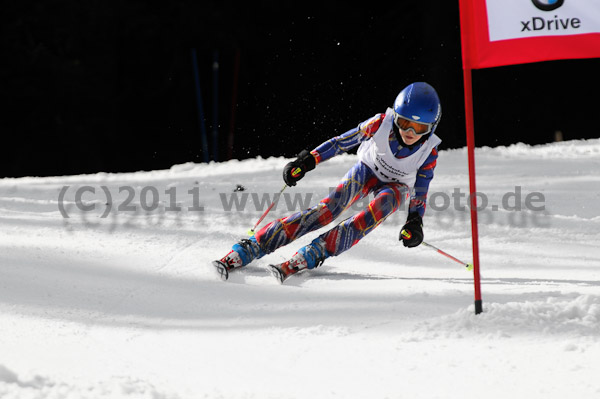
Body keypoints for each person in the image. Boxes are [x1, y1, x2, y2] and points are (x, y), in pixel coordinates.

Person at [212, 82, 442, 283]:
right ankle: (257, 244)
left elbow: (421, 190)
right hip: (367, 171)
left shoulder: (429, 151)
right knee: (328, 210)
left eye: (419, 128)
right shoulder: (381, 123)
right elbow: (341, 142)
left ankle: (318, 250)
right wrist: (308, 160)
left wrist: (415, 221)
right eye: (404, 123)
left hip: (397, 186)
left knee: (381, 207)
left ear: (431, 128)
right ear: (396, 116)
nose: (410, 132)